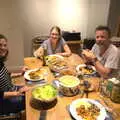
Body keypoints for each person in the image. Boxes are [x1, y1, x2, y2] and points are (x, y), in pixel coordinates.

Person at [0, 34, 29, 115]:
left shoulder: (0, 61)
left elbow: (5, 75)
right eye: (0, 45)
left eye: (4, 45)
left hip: (12, 89)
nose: (3, 48)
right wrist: (18, 93)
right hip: (4, 102)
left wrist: (20, 73)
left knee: (30, 88)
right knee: (29, 100)